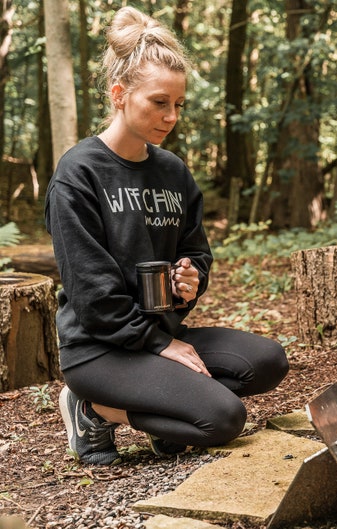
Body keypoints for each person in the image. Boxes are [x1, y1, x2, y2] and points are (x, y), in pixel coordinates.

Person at [44, 6, 289, 465]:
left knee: (268, 360)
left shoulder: (172, 170)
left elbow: (196, 252)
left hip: (158, 332)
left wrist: (191, 277)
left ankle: (171, 404)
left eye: (178, 104)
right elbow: (92, 297)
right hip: (99, 350)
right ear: (119, 94)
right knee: (223, 418)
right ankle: (93, 409)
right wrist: (160, 344)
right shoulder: (78, 174)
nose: (172, 115)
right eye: (160, 102)